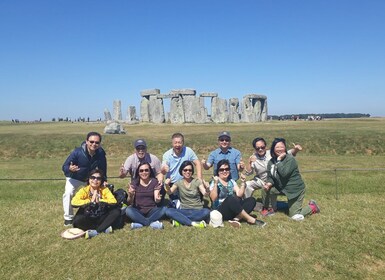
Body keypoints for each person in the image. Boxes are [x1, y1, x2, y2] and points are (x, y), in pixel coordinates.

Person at [244, 137, 302, 216]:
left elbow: (287, 152)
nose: (260, 149)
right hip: (261, 179)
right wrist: (250, 162)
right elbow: (248, 173)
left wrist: (296, 149)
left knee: (271, 194)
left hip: (274, 179)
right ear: (255, 148)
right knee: (247, 184)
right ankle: (245, 204)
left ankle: (271, 207)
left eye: (262, 147)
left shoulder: (272, 152)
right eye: (258, 148)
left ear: (266, 146)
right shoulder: (253, 157)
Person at [264, 138, 320, 220]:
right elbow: (270, 176)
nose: (279, 149)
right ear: (273, 149)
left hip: (294, 190)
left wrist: (279, 161)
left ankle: (312, 207)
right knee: (269, 190)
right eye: (277, 147)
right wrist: (269, 183)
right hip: (282, 187)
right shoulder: (271, 161)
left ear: (285, 148)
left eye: (282, 147)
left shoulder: (290, 159)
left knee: (294, 216)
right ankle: (272, 208)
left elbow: (284, 174)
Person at [62, 132, 107, 226]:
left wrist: (104, 180)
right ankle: (68, 218)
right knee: (68, 193)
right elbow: (64, 166)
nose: (94, 144)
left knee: (98, 194)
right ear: (86, 141)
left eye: (97, 142)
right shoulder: (77, 152)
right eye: (91, 141)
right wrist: (70, 169)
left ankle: (93, 215)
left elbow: (103, 167)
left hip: (90, 179)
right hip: (75, 177)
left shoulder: (101, 153)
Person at [209, 159, 266, 227]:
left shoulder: (231, 181)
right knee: (231, 199)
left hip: (232, 209)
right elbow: (213, 198)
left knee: (251, 200)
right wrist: (215, 184)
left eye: (227, 169)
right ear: (218, 171)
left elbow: (239, 194)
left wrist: (243, 182)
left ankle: (236, 219)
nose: (224, 171)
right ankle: (250, 219)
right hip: (220, 211)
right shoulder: (214, 182)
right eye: (221, 170)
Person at [71, 169, 120, 239]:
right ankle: (104, 228)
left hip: (101, 216)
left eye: (98, 178)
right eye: (92, 177)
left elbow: (113, 201)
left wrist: (99, 200)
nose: (95, 180)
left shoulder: (104, 190)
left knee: (116, 212)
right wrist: (90, 201)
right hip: (88, 216)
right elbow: (74, 202)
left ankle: (97, 231)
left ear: (101, 181)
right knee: (77, 221)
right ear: (89, 179)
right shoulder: (84, 190)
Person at [161, 132, 202, 208]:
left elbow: (197, 163)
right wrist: (164, 168)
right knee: (178, 206)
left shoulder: (188, 151)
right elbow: (163, 168)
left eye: (179, 142)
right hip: (173, 183)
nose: (177, 145)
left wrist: (199, 178)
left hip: (187, 182)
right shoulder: (167, 155)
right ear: (172, 143)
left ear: (183, 143)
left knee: (194, 200)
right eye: (175, 143)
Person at [164, 161, 210, 228]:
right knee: (169, 211)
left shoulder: (197, 181)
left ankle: (181, 220)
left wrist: (207, 189)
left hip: (197, 210)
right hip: (184, 210)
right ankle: (193, 223)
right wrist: (166, 185)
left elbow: (205, 194)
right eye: (185, 170)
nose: (187, 172)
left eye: (190, 170)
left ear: (192, 171)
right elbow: (169, 192)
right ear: (181, 171)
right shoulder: (178, 183)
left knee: (206, 212)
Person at [125, 162, 166, 229]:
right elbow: (129, 202)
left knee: (164, 209)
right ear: (138, 172)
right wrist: (131, 195)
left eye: (146, 170)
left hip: (152, 210)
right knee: (128, 210)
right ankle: (150, 223)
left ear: (150, 171)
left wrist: (158, 199)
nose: (144, 172)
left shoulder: (154, 182)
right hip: (138, 210)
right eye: (141, 171)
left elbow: (156, 200)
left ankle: (140, 223)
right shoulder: (134, 183)